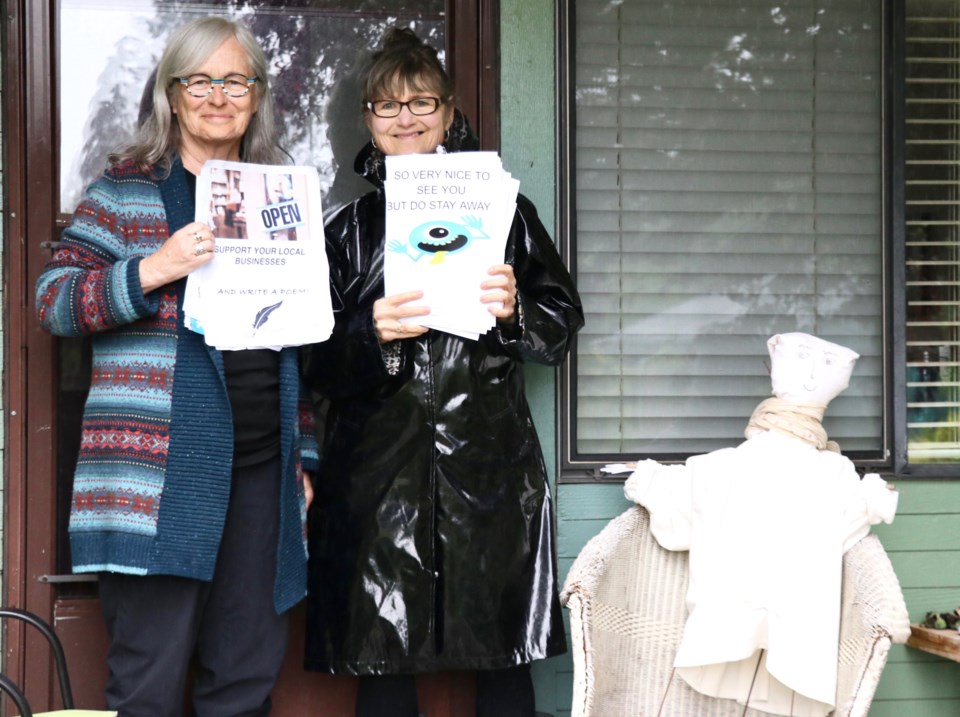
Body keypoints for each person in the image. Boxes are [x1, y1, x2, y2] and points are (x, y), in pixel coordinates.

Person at [35, 17, 317, 717]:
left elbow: (299, 339)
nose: (218, 96)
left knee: (244, 683)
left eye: (236, 81)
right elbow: (54, 301)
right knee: (148, 687)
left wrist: (303, 454)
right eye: (201, 80)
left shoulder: (277, 194)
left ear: (256, 97)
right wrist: (156, 267)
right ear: (172, 93)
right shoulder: (128, 191)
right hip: (154, 478)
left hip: (259, 474)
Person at [301, 27, 584, 717]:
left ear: (450, 112)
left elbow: (561, 322)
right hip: (375, 475)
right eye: (389, 105)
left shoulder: (506, 214)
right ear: (369, 118)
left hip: (487, 467)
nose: (406, 118)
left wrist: (517, 310)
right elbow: (307, 356)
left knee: (503, 661)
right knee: (383, 660)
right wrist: (370, 333)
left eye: (422, 101)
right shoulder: (345, 231)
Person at [623, 333, 898, 717]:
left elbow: (676, 525)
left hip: (723, 634)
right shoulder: (837, 475)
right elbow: (853, 523)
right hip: (799, 648)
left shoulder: (719, 468)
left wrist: (648, 478)